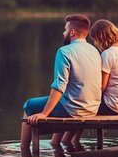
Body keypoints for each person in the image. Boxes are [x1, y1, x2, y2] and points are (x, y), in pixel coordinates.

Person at [20, 14, 102, 150]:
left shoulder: (64, 52)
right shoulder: (94, 51)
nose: (63, 33)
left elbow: (59, 86)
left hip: (74, 109)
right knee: (62, 100)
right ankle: (56, 146)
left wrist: (44, 113)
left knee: (29, 105)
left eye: (65, 30)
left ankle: (23, 151)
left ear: (72, 32)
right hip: (92, 108)